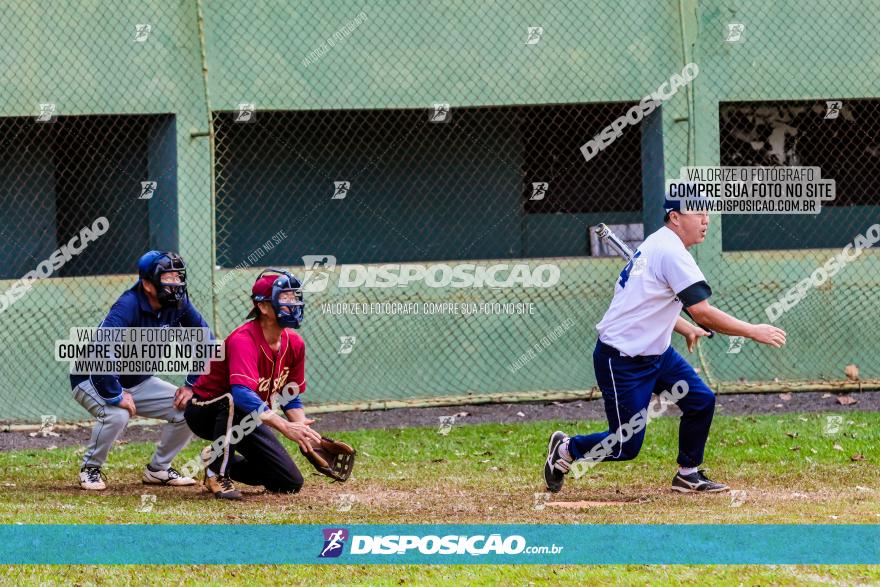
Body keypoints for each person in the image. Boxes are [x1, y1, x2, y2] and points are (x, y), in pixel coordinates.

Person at [544, 197, 787, 493]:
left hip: (657, 354)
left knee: (700, 401)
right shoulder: (670, 252)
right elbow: (702, 311)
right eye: (697, 213)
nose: (705, 219)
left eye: (707, 213)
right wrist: (752, 331)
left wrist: (684, 327)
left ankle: (688, 473)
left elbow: (650, 300)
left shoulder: (660, 244)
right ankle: (567, 449)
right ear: (674, 217)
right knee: (624, 445)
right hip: (622, 359)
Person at [72, 251, 211, 490]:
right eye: (168, 278)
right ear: (147, 283)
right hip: (92, 377)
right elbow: (102, 348)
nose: (176, 283)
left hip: (138, 380)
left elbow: (205, 341)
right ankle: (91, 469)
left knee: (191, 408)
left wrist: (191, 385)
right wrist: (115, 394)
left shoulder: (179, 303)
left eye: (178, 277)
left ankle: (158, 470)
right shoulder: (128, 304)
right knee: (117, 414)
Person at [185, 269, 322, 500]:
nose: (294, 304)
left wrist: (304, 431)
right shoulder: (243, 339)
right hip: (205, 410)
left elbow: (290, 395)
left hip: (247, 415)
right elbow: (241, 394)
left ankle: (213, 457)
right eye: (285, 298)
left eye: (295, 297)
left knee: (288, 481)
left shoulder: (295, 343)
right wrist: (284, 426)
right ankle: (218, 474)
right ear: (264, 306)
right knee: (231, 401)